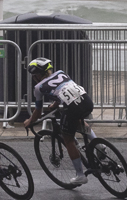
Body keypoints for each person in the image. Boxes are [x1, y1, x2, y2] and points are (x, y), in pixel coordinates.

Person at [23, 57, 94, 186]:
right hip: (87, 101)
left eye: (34, 75)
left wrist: (29, 121)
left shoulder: (39, 87)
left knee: (68, 139)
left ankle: (80, 175)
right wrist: (56, 104)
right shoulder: (61, 73)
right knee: (78, 121)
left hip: (73, 107)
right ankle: (99, 145)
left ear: (38, 75)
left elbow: (37, 112)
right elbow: (64, 88)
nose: (33, 78)